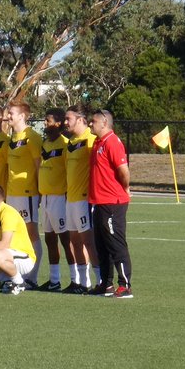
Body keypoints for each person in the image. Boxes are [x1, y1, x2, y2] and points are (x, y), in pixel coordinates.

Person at [87, 109, 133, 298]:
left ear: (104, 123)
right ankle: (106, 284)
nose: (90, 124)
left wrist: (126, 187)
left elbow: (123, 170)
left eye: (93, 121)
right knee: (101, 245)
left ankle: (125, 285)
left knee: (115, 244)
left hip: (112, 202)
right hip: (98, 202)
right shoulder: (98, 142)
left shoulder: (112, 142)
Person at [62, 104, 100, 294]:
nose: (65, 122)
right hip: (70, 199)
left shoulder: (91, 140)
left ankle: (100, 281)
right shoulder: (70, 143)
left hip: (84, 200)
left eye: (68, 118)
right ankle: (82, 283)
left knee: (88, 241)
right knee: (74, 242)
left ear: (81, 119)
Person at [5, 102, 43, 286]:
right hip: (12, 193)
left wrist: (39, 191)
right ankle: (17, 275)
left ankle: (32, 276)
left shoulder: (32, 137)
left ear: (22, 116)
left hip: (27, 193)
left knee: (30, 233)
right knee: (14, 234)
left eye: (11, 113)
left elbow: (38, 166)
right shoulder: (12, 138)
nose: (8, 116)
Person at [37, 109, 71, 291]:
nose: (45, 123)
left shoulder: (65, 144)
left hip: (59, 197)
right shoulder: (45, 144)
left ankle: (77, 279)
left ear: (58, 123)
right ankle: (54, 280)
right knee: (50, 239)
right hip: (46, 198)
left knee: (66, 239)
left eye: (48, 120)